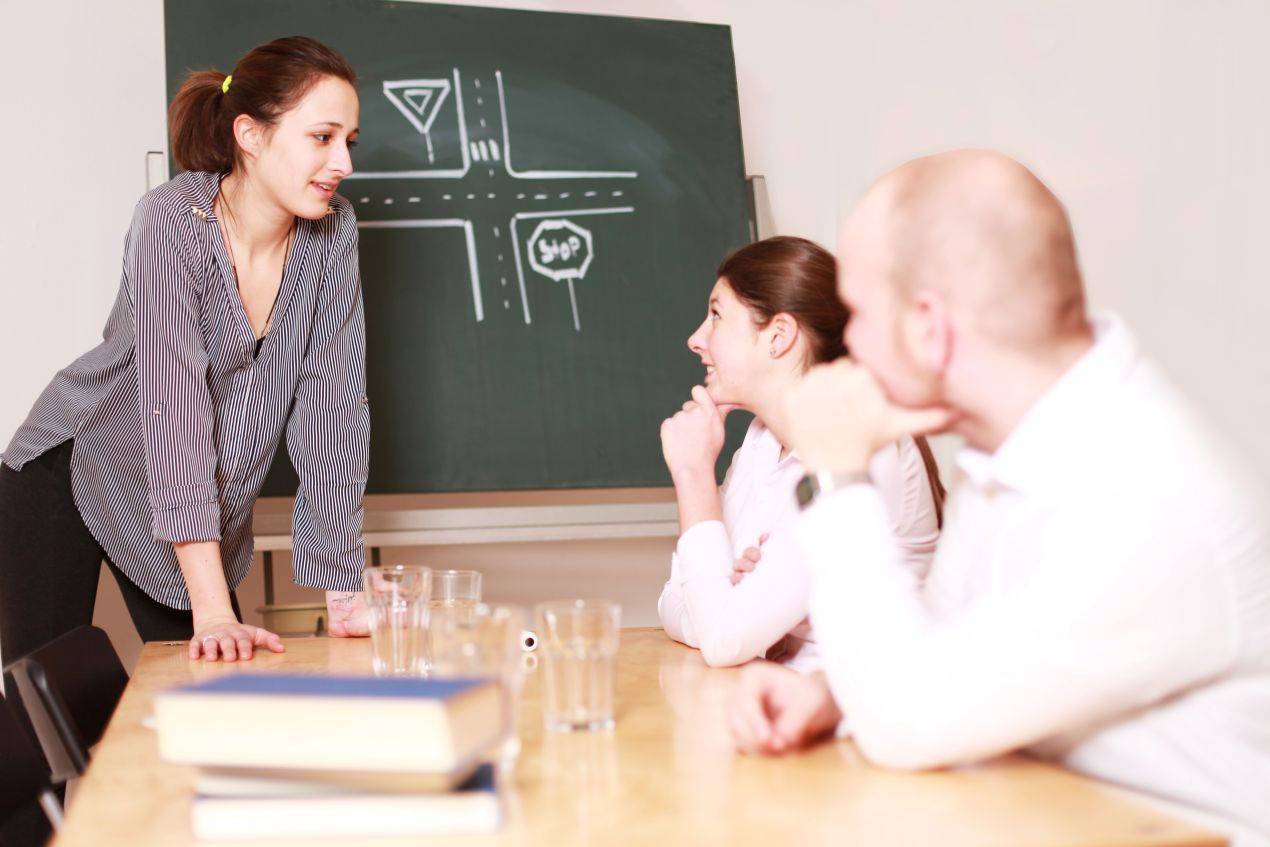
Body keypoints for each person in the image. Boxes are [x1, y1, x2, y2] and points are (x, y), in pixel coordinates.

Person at [728, 151, 1270, 845]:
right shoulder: (1023, 441)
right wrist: (828, 694)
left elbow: (907, 721)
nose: (846, 343)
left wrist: (836, 474)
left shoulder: (1145, 492)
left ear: (930, 327)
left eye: (857, 313)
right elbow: (948, 649)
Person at [0, 36, 371, 669]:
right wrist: (213, 607)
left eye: (349, 142)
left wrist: (343, 590)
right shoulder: (170, 221)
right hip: (78, 461)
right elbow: (174, 411)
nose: (343, 163)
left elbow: (334, 408)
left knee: (214, 694)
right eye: (322, 137)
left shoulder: (333, 231)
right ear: (249, 135)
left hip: (190, 499)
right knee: (46, 724)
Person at [657, 236, 942, 668]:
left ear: (778, 336)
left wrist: (694, 475)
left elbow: (722, 637)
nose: (696, 339)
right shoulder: (759, 443)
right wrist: (755, 626)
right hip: (778, 705)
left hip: (864, 718)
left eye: (716, 315)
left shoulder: (865, 447)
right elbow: (673, 605)